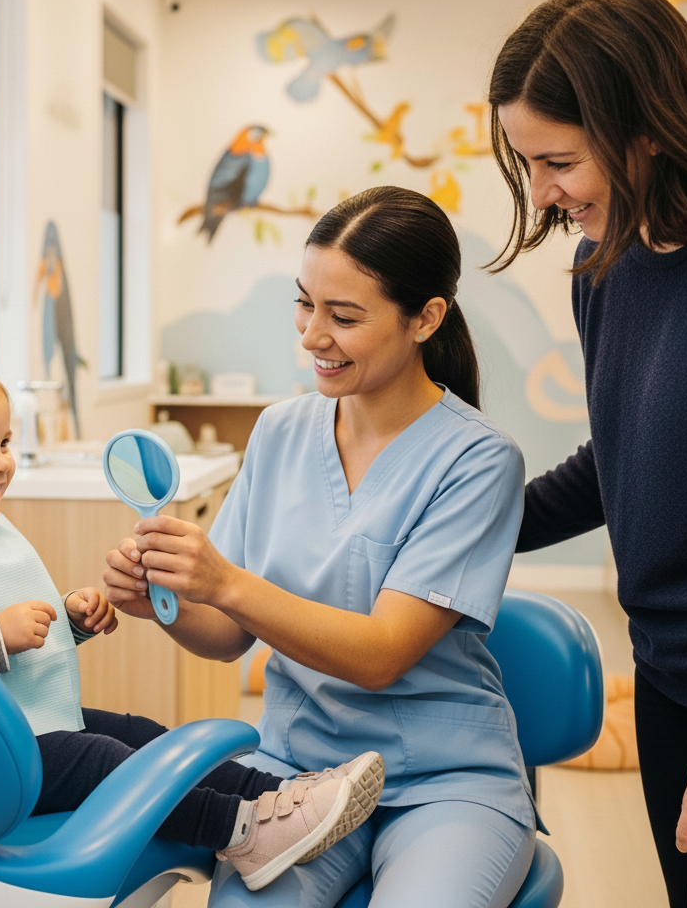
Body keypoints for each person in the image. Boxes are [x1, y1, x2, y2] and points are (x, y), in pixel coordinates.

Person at [105, 186, 539, 908]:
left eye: (343, 316)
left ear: (425, 318)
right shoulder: (280, 432)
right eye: (304, 304)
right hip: (296, 777)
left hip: (441, 781)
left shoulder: (479, 460)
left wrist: (225, 583)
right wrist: (167, 604)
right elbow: (225, 637)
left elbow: (381, 654)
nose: (311, 336)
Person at [0, 350, 384, 892]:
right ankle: (240, 832)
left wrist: (71, 620)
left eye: (4, 442)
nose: (1, 461)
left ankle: (281, 797)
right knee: (101, 758)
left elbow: (21, 641)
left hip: (20, 731)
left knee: (142, 735)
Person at [488, 0, 687, 908]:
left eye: (559, 162)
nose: (545, 197)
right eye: (529, 167)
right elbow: (622, 464)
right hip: (673, 672)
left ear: (648, 129)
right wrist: (459, 522)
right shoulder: (608, 272)